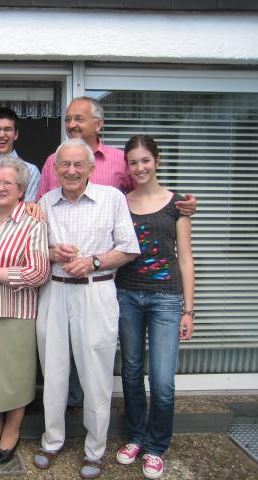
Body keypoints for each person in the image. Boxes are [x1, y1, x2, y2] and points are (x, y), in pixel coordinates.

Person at [36, 96, 197, 410]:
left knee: (108, 360)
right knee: (77, 362)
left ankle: (105, 425)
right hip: (94, 283)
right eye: (68, 119)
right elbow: (39, 213)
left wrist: (183, 205)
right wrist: (48, 249)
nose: (71, 124)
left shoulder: (118, 161)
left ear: (99, 124)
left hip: (115, 279)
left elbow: (147, 189)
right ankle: (72, 412)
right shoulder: (54, 161)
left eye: (79, 118)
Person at [34, 138, 140, 479]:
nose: (71, 170)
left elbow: (129, 248)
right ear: (55, 169)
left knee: (96, 375)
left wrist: (94, 261)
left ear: (91, 168)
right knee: (53, 371)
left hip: (96, 292)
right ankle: (52, 440)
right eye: (64, 164)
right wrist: (51, 252)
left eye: (78, 164)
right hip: (54, 290)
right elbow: (32, 248)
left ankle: (95, 450)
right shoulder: (45, 202)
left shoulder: (112, 198)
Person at [114, 135, 195, 479]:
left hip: (166, 299)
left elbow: (186, 258)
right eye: (133, 162)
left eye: (145, 160)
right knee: (131, 372)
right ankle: (136, 436)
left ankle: (156, 446)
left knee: (162, 381)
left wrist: (188, 310)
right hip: (127, 296)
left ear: (157, 161)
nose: (140, 167)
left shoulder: (178, 204)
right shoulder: (121, 202)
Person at [0, 155, 50, 465]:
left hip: (16, 313)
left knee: (15, 377)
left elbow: (39, 273)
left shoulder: (33, 221)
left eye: (8, 183)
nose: (0, 187)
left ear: (21, 190)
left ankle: (11, 431)